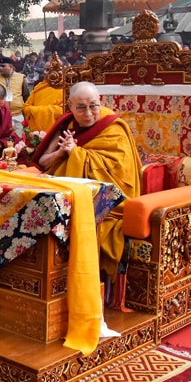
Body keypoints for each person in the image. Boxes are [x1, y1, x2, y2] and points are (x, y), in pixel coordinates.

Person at [33, 81, 142, 299]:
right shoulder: (66, 125)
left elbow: (122, 173)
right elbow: (43, 162)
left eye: (93, 105)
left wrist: (78, 153)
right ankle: (44, 279)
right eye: (81, 107)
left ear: (100, 101)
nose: (89, 113)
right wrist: (62, 153)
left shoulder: (113, 127)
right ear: (70, 106)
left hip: (107, 199)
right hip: (64, 189)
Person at [0, 57, 30, 135]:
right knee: (3, 138)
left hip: (18, 114)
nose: (0, 68)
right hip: (1, 114)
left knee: (18, 140)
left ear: (11, 66)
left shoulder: (21, 78)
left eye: (3, 66)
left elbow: (26, 96)